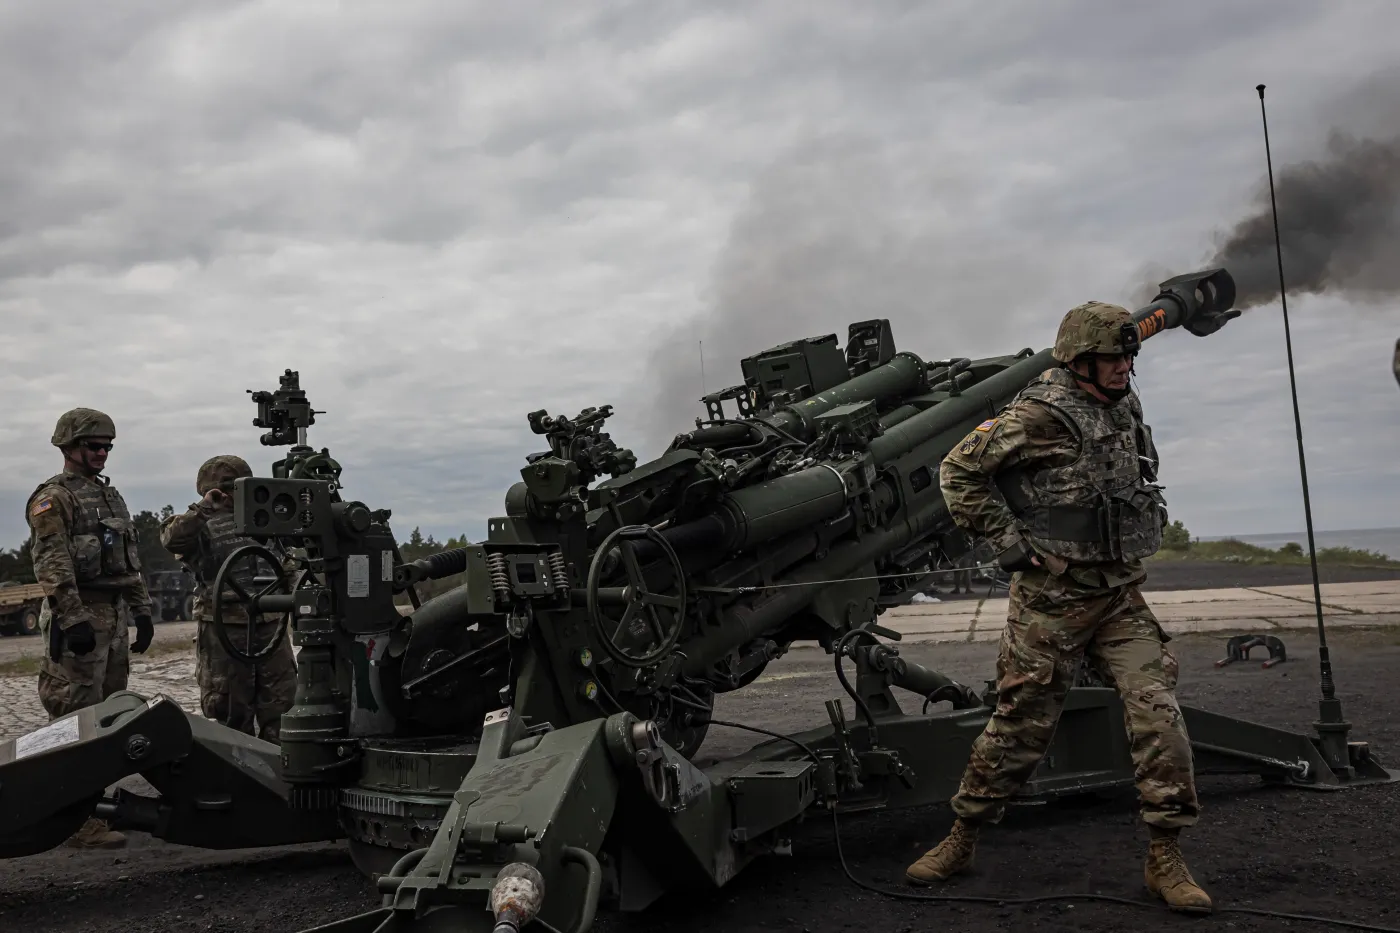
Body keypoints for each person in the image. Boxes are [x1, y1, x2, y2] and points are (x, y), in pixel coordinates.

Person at [904, 302, 1211, 914]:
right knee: (1019, 726)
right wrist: (1010, 544)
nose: (1124, 367)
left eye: (1128, 357)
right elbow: (959, 472)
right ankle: (963, 836)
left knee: (1159, 718)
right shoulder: (1039, 413)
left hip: (1118, 594)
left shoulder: (1122, 402)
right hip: (1052, 599)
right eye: (1112, 358)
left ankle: (1165, 856)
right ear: (1079, 361)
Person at [25, 408, 155, 849]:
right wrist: (72, 618)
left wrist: (141, 611)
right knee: (72, 718)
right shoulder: (54, 498)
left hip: (113, 619)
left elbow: (128, 561)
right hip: (80, 618)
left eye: (107, 447)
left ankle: (96, 808)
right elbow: (51, 563)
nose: (102, 453)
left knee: (108, 716)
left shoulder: (110, 497)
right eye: (94, 446)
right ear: (69, 447)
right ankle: (73, 821)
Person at [159, 455, 297, 741]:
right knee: (231, 709)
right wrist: (205, 507)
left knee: (282, 705)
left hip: (271, 626)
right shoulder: (200, 526)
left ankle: (280, 763)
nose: (234, 495)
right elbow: (172, 539)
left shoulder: (265, 521)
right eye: (227, 488)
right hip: (225, 629)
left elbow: (288, 564)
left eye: (239, 487)